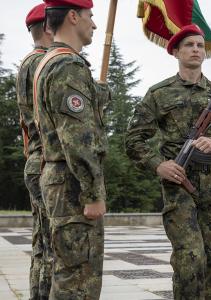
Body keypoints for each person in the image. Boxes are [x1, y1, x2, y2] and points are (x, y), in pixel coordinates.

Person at [125, 24, 211, 300]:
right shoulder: (159, 93)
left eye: (200, 46)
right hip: (179, 186)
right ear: (176, 52)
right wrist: (159, 164)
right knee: (189, 259)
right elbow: (134, 140)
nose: (196, 49)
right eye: (189, 45)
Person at [34, 0, 110, 298]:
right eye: (90, 16)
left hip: (60, 177)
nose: (94, 24)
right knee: (79, 280)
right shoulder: (68, 66)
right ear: (73, 16)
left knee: (68, 274)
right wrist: (93, 193)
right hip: (72, 185)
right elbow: (78, 139)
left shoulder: (49, 61)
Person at [16, 3, 53, 299]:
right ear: (51, 27)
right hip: (47, 162)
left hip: (35, 160)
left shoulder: (28, 61)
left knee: (42, 246)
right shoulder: (44, 63)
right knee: (55, 248)